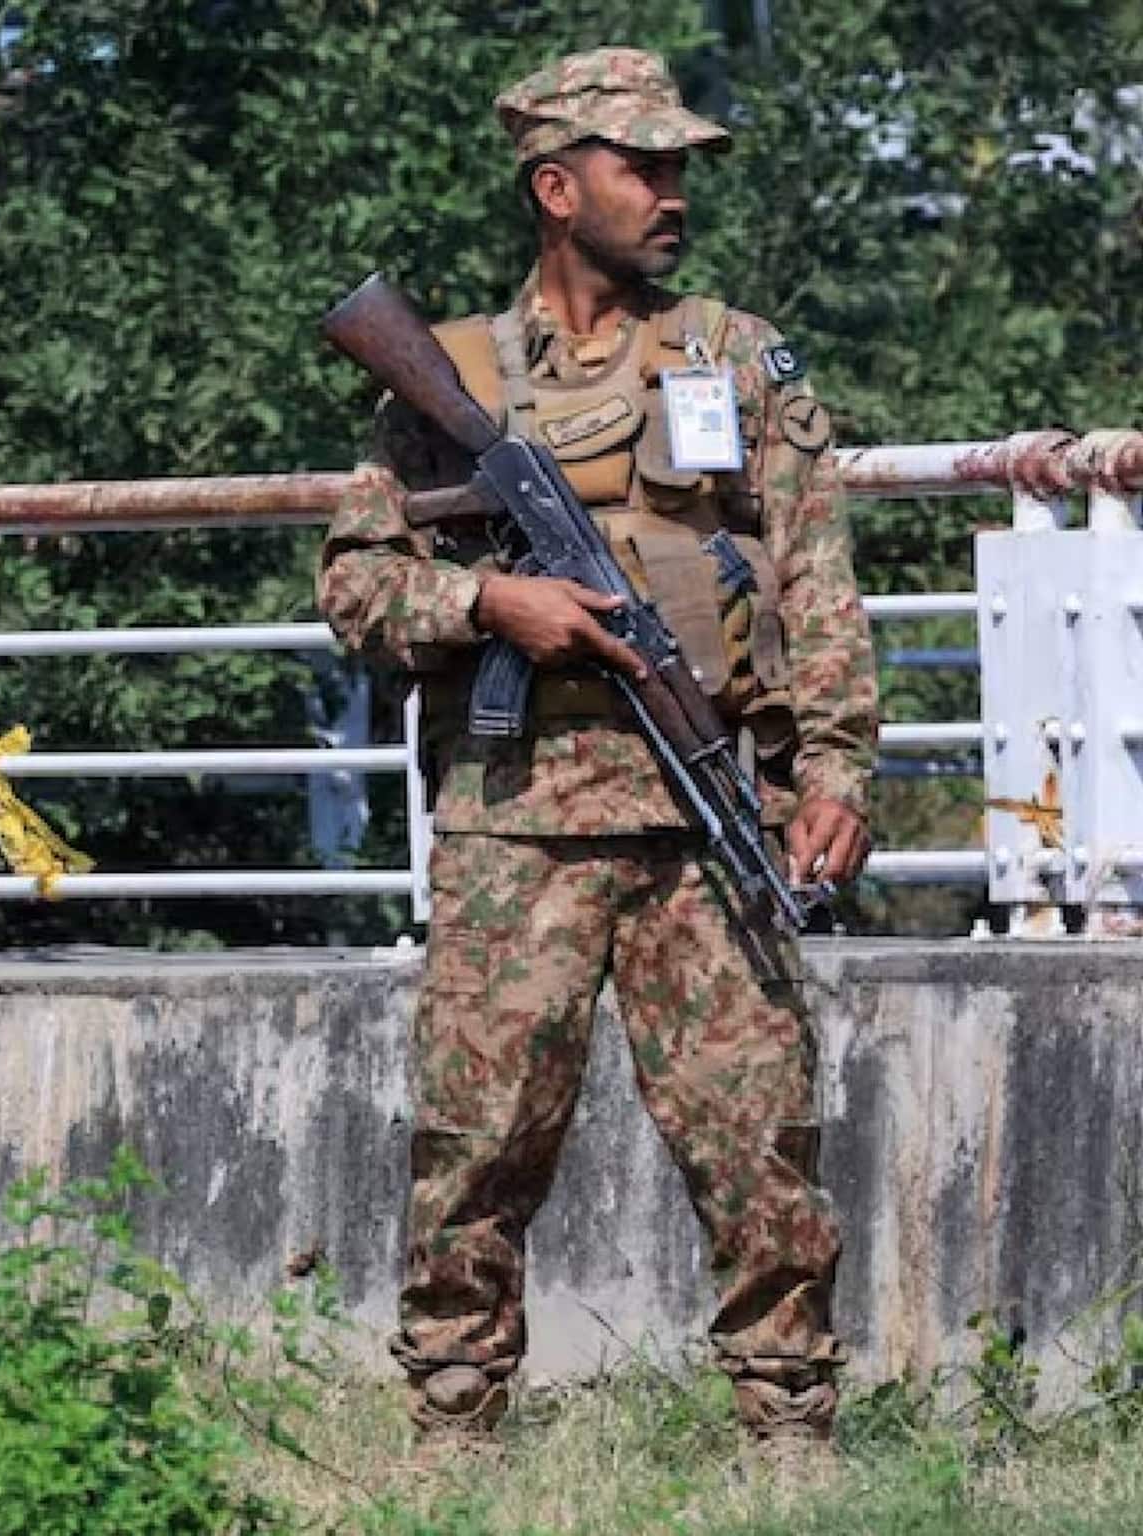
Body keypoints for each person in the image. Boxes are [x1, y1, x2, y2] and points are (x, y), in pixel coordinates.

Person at [318, 48, 877, 1453]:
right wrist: (489, 601)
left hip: (709, 821)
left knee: (760, 1141)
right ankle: (453, 1427)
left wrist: (835, 773)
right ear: (557, 189)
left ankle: (789, 1431)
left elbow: (813, 577)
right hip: (518, 824)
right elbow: (356, 590)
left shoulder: (737, 356)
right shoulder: (448, 376)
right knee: (478, 1145)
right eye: (646, 166)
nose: (674, 192)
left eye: (681, 166)